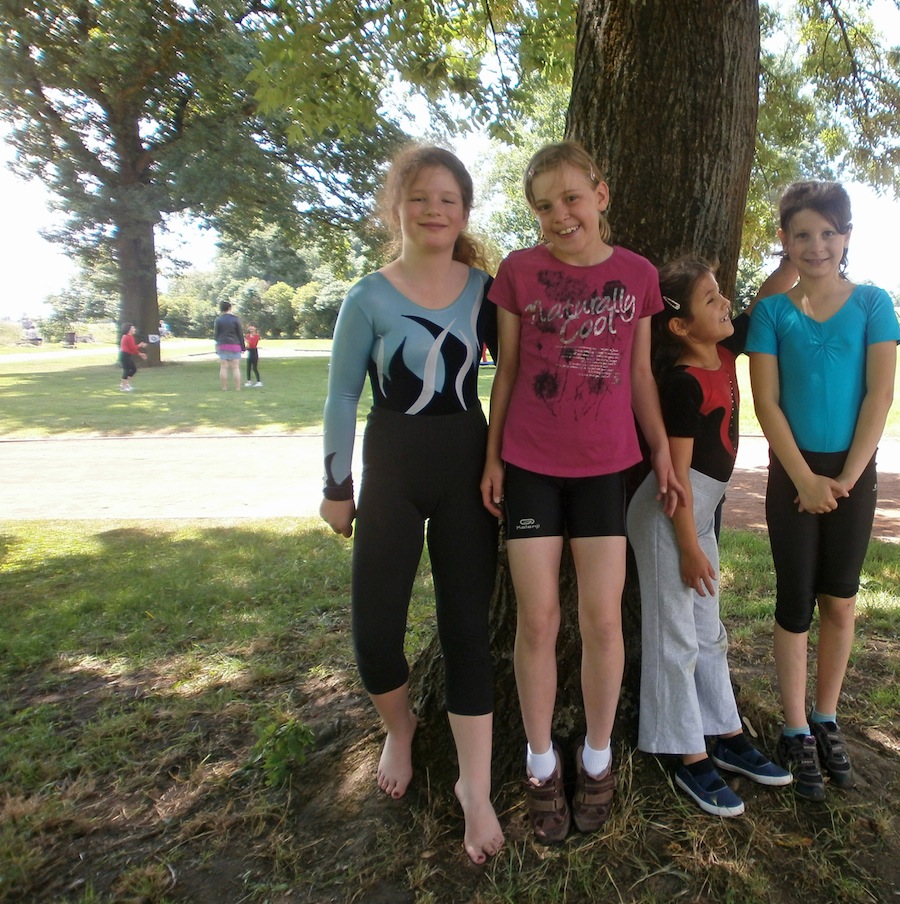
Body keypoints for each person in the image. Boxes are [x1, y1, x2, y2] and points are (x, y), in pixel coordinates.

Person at [479, 141, 684, 844]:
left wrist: (662, 452)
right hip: (530, 466)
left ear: (600, 194)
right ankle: (540, 763)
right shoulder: (518, 271)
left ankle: (596, 757)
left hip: (604, 468)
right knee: (537, 621)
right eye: (543, 206)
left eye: (570, 198)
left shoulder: (637, 275)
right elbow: (507, 371)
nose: (559, 215)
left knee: (601, 620)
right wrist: (493, 458)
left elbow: (640, 375)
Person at [319, 145, 503, 865]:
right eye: (420, 197)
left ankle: (474, 789)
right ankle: (400, 728)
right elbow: (342, 395)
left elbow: (523, 369)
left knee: (466, 634)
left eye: (448, 199)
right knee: (374, 633)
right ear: (396, 206)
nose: (434, 210)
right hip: (391, 468)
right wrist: (337, 487)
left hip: (465, 467)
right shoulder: (367, 296)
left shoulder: (486, 291)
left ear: (464, 212)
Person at [747, 181, 900, 802]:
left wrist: (847, 478)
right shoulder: (772, 313)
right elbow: (766, 401)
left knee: (839, 600)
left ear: (846, 237)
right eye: (803, 234)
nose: (816, 246)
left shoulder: (872, 303)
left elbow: (879, 395)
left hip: (853, 473)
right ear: (785, 240)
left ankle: (826, 717)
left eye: (828, 233)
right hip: (793, 472)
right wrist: (805, 479)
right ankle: (794, 728)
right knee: (795, 603)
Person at [628, 257, 790, 817]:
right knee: (675, 637)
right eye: (711, 299)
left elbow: (766, 297)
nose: (725, 304)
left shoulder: (723, 350)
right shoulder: (680, 384)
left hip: (698, 514)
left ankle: (725, 733)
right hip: (668, 517)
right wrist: (690, 548)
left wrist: (791, 257)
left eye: (721, 295)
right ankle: (686, 754)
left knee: (708, 631)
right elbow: (673, 480)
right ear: (680, 326)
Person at [213, 301, 245, 391]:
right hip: (235, 345)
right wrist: (243, 347)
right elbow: (240, 333)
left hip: (222, 344)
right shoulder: (235, 319)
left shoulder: (218, 320)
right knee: (235, 367)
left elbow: (216, 335)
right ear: (230, 308)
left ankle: (224, 387)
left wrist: (217, 345)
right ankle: (237, 388)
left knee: (223, 367)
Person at [118, 323, 147, 392]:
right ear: (129, 329)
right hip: (125, 355)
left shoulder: (126, 336)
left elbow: (131, 349)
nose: (134, 329)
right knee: (127, 370)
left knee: (133, 369)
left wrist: (140, 354)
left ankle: (126, 384)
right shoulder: (129, 337)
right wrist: (140, 345)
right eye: (133, 328)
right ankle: (123, 386)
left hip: (125, 355)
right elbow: (132, 348)